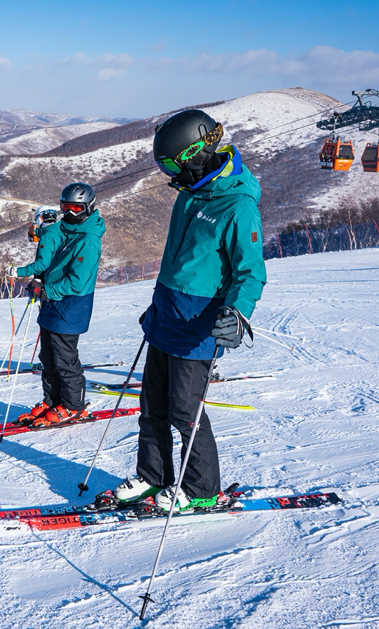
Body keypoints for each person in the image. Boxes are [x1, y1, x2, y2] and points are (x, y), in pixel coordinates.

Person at [101, 109, 266, 513]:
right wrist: (157, 306)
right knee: (151, 404)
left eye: (172, 164)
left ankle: (201, 489)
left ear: (195, 152)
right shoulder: (191, 193)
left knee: (184, 412)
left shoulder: (237, 206)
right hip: (167, 316)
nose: (168, 173)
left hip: (198, 326)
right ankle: (153, 477)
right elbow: (179, 262)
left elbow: (251, 273)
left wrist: (237, 314)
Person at [12, 183, 105, 427]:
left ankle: (74, 406)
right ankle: (53, 400)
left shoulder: (88, 240)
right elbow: (51, 257)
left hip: (70, 307)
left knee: (65, 359)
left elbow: (77, 282)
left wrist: (45, 290)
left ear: (88, 208)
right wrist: (40, 278)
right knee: (49, 357)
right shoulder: (68, 230)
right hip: (51, 304)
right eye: (66, 207)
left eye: (76, 207)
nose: (70, 213)